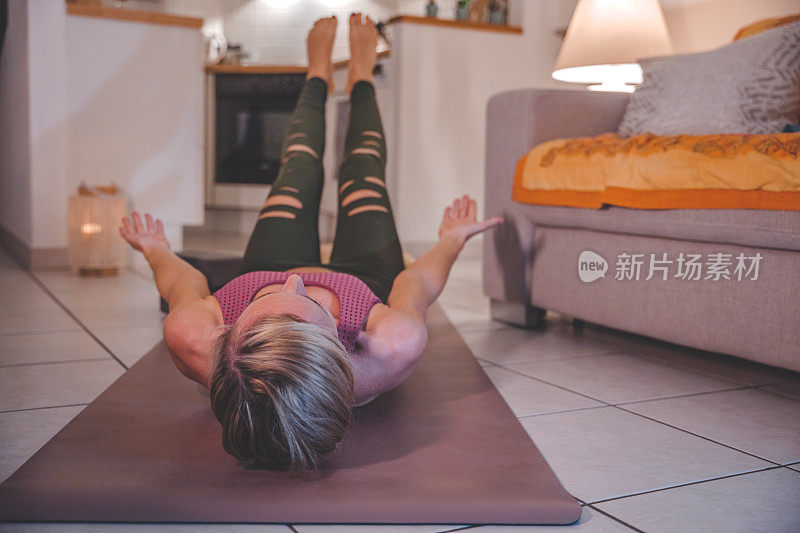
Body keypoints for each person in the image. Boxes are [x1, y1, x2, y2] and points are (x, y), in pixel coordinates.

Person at [119, 13, 503, 472]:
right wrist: (452, 241)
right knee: (362, 172)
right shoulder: (391, 344)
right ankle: (361, 72)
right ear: (342, 345)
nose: (296, 281)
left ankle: (317, 71)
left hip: (264, 262)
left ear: (228, 336)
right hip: (364, 278)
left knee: (297, 167)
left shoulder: (194, 337)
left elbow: (184, 282)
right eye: (309, 305)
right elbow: (416, 281)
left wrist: (156, 249)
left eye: (268, 304)